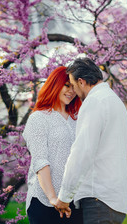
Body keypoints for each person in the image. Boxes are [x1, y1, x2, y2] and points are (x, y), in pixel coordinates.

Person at [53, 58, 127, 223]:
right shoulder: (115, 101)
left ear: (81, 82)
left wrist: (64, 196)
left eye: (73, 85)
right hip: (114, 199)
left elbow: (82, 152)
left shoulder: (94, 102)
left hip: (98, 198)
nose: (73, 91)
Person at [22, 66, 83, 224]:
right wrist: (53, 198)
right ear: (55, 84)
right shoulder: (39, 118)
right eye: (66, 85)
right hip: (44, 202)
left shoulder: (77, 120)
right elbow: (40, 161)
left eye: (73, 87)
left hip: (73, 202)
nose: (71, 91)